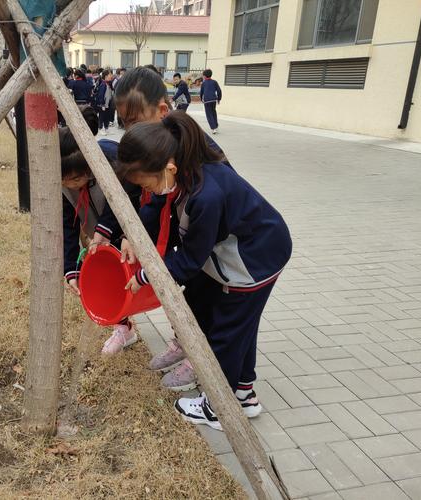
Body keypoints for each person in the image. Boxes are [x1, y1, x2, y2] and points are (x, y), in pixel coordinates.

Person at [117, 111, 292, 430]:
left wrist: (144, 276)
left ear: (168, 168)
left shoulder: (205, 196)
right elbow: (158, 208)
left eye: (148, 184)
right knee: (241, 326)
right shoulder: (184, 168)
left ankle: (218, 409)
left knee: (227, 331)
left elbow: (188, 262)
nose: (150, 191)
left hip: (254, 260)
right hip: (259, 247)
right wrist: (130, 236)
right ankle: (244, 395)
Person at [61, 107, 142, 355]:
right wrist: (70, 269)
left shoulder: (111, 162)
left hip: (132, 225)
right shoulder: (63, 180)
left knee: (142, 280)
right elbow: (67, 224)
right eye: (65, 182)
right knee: (108, 276)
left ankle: (179, 339)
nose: (70, 186)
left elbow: (129, 197)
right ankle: (124, 328)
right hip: (99, 230)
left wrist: (108, 230)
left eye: (75, 181)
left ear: (88, 170)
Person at [201, 69, 222, 134]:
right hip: (213, 100)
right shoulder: (214, 82)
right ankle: (216, 126)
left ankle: (213, 128)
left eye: (203, 75)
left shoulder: (204, 83)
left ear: (204, 76)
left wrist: (201, 98)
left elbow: (201, 92)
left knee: (209, 114)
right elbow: (219, 91)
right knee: (213, 112)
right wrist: (219, 99)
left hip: (207, 100)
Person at [96, 70, 114, 136]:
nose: (111, 76)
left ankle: (107, 128)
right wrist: (102, 104)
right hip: (103, 104)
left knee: (107, 116)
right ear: (106, 76)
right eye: (110, 74)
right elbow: (101, 95)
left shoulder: (108, 83)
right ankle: (100, 128)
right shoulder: (103, 84)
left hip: (108, 103)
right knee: (102, 117)